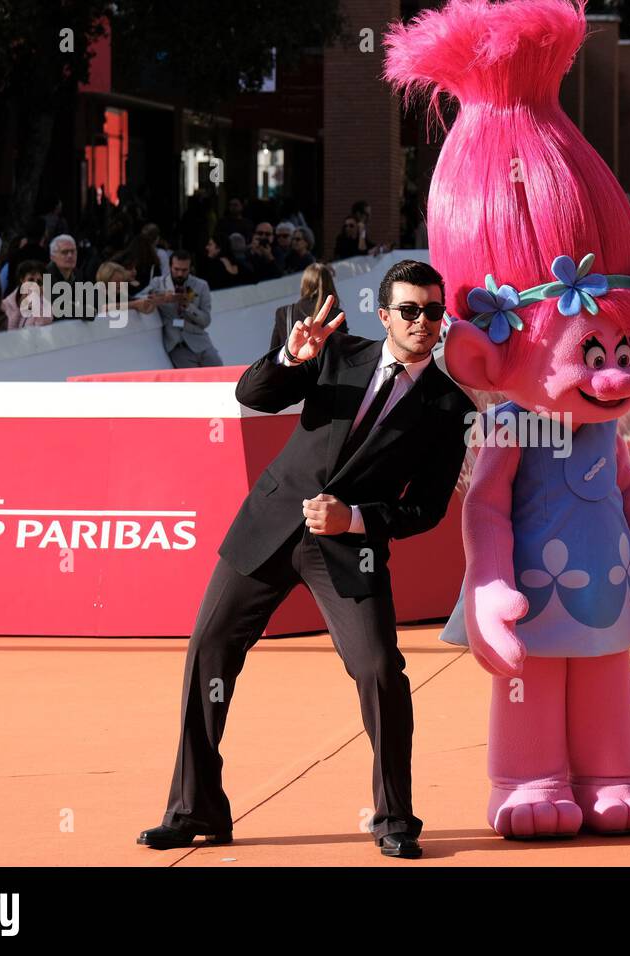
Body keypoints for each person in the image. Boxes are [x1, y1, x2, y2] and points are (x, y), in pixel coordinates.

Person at [387, 0, 630, 842]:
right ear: (486, 356)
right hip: (532, 600)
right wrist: (490, 581)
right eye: (593, 351)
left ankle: (613, 774)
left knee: (606, 675)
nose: (620, 374)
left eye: (627, 347)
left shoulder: (605, 435)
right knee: (532, 684)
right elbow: (486, 506)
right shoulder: (511, 428)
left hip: (605, 595)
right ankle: (526, 776)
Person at [137, 259, 474, 859]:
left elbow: (426, 509)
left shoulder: (450, 407)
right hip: (268, 526)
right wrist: (291, 357)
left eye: (433, 311)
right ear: (385, 315)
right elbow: (253, 396)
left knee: (379, 671)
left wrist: (358, 519)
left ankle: (394, 816)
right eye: (410, 310)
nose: (423, 322)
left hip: (349, 550)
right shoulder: (337, 353)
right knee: (209, 653)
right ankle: (195, 808)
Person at [134, 249, 223, 368]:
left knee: (222, 378)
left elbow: (206, 321)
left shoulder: (201, 286)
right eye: (176, 269)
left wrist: (188, 306)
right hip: (176, 346)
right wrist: (162, 297)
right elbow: (138, 297)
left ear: (190, 268)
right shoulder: (158, 283)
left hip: (201, 343)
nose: (180, 274)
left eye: (184, 270)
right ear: (170, 266)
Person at [269, 262, 338, 353]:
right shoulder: (335, 315)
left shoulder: (284, 313)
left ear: (304, 284)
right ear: (330, 284)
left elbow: (272, 354)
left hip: (292, 366)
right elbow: (343, 356)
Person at [4, 260, 51, 329]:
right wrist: (19, 309)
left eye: (39, 282)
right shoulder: (6, 304)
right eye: (31, 280)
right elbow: (8, 332)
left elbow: (41, 331)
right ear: (22, 280)